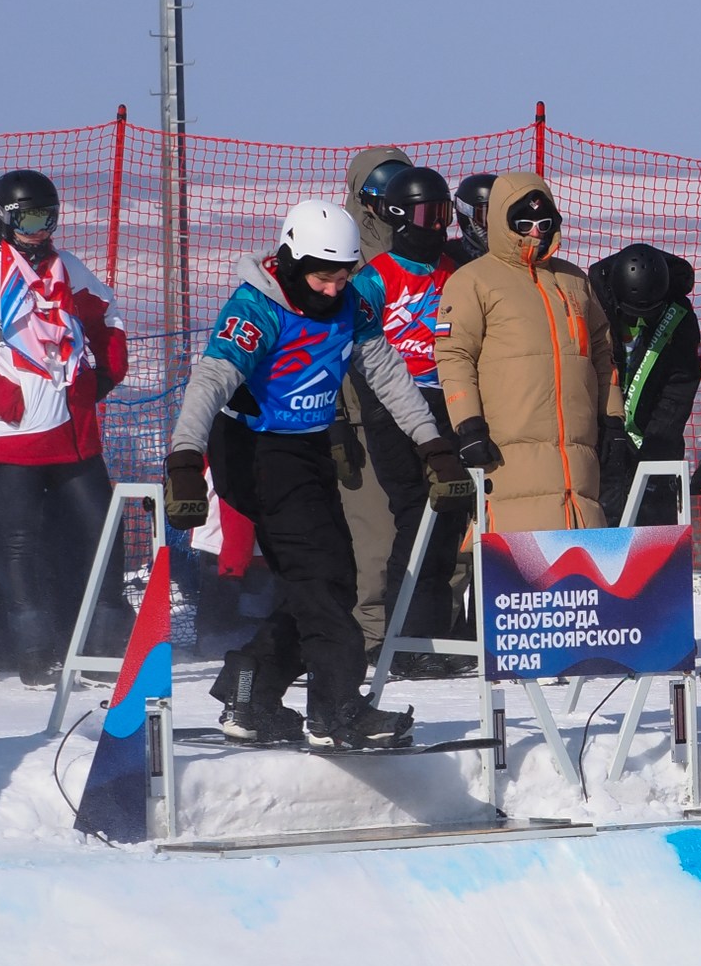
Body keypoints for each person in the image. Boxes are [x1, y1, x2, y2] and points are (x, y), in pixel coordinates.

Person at [163, 200, 472, 747]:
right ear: (290, 261)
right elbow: (210, 380)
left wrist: (433, 446)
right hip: (254, 451)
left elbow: (387, 373)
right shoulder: (257, 308)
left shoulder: (351, 304)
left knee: (328, 581)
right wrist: (185, 460)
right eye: (321, 276)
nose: (332, 289)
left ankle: (251, 690)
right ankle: (336, 711)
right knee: (322, 578)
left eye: (342, 276)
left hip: (308, 448)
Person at [0, 170, 132, 686]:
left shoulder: (69, 269)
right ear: (3, 218)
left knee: (103, 531)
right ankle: (35, 652)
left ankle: (105, 645)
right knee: (21, 545)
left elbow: (108, 317)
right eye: (27, 220)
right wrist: (12, 403)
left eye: (48, 218)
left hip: (73, 435)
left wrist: (103, 375)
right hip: (11, 439)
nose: (39, 230)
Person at [435, 172, 619, 532]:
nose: (535, 232)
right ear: (501, 222)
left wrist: (612, 419)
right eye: (523, 224)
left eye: (543, 223)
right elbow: (454, 356)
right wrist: (468, 424)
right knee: (519, 557)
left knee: (580, 561)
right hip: (507, 460)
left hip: (578, 467)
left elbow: (602, 353)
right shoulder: (473, 281)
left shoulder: (574, 281)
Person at [351, 164, 468, 673]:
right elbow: (351, 349)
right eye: (427, 215)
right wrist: (364, 411)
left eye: (443, 215)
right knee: (416, 515)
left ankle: (431, 636)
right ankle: (406, 639)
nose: (437, 226)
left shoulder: (453, 272)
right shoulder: (376, 277)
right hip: (394, 407)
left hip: (447, 402)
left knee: (449, 519)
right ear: (399, 216)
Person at [336, 148, 411, 656]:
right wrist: (335, 419)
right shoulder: (341, 256)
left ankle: (430, 630)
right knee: (376, 544)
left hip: (423, 414)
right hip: (361, 419)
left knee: (438, 536)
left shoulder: (423, 253)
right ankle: (372, 636)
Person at [590, 243, 701, 527]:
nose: (639, 320)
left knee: (655, 525)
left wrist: (657, 441)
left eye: (648, 313)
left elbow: (681, 384)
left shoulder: (678, 316)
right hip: (601, 439)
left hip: (655, 439)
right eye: (631, 313)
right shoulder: (594, 307)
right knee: (602, 522)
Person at [445, 173, 494, 271]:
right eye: (486, 216)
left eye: (501, 216)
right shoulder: (448, 262)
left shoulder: (516, 257)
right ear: (466, 214)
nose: (494, 225)